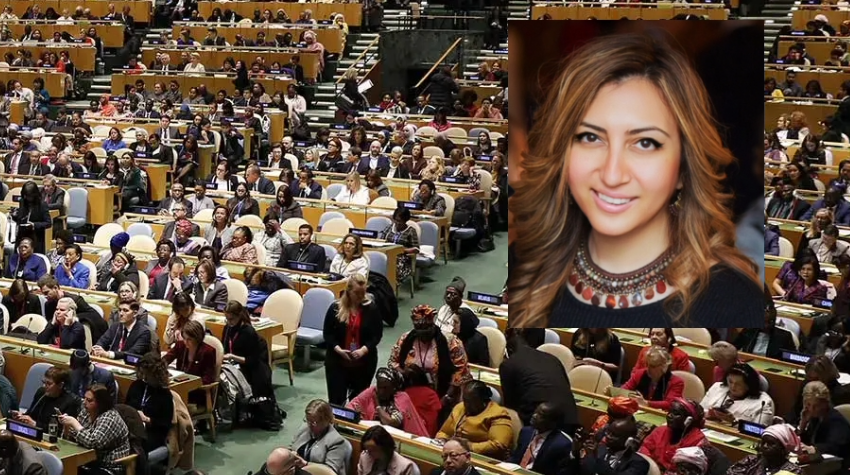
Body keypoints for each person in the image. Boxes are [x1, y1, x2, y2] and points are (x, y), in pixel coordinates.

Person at [510, 34, 761, 327]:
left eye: (645, 143)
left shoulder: (738, 303)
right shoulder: (520, 265)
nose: (612, 174)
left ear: (684, 167)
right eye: (590, 137)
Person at [389, 305, 472, 408]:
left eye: (427, 329)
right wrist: (403, 372)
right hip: (411, 391)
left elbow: (461, 371)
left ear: (433, 325)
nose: (423, 333)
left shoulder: (451, 341)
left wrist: (446, 396)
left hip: (442, 392)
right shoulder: (406, 339)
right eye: (419, 329)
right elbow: (392, 362)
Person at [499, 328, 578, 427]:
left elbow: (510, 405)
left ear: (509, 350)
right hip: (570, 418)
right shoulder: (552, 358)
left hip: (540, 421)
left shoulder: (508, 364)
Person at [324, 275, 383, 405]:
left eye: (363, 293)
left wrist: (363, 350)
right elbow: (328, 334)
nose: (360, 297)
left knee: (358, 403)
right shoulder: (335, 308)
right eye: (357, 293)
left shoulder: (371, 309)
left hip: (364, 363)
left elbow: (377, 335)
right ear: (348, 291)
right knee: (336, 401)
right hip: (337, 362)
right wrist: (338, 350)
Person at [59, 384, 130, 474]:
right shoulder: (86, 412)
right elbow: (74, 439)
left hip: (108, 468)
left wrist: (75, 424)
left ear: (101, 403)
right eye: (84, 398)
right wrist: (67, 426)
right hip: (86, 462)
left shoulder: (110, 418)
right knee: (63, 468)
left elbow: (93, 442)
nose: (84, 402)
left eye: (89, 400)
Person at [435, 381, 513, 459]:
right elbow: (444, 432)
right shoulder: (459, 408)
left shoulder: (498, 414)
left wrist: (469, 447)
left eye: (472, 401)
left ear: (483, 400)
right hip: (453, 454)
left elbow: (499, 444)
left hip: (482, 458)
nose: (467, 405)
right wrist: (442, 439)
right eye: (465, 400)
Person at [348, 367, 429, 436]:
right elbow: (349, 408)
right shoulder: (372, 391)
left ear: (394, 388)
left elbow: (390, 422)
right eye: (379, 387)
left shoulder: (402, 397)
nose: (381, 392)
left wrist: (377, 405)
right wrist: (357, 415)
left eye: (385, 388)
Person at [222, 301, 274, 400]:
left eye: (231, 319)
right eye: (227, 319)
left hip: (250, 369)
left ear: (239, 316)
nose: (229, 322)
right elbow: (224, 348)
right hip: (232, 365)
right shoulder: (228, 328)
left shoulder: (248, 332)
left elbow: (253, 361)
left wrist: (233, 357)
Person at [639, 399, 707, 473]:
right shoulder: (661, 430)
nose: (669, 415)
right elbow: (645, 448)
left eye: (676, 413)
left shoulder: (698, 442)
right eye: (669, 412)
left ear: (689, 420)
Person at [125, 353, 174, 453]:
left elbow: (164, 425)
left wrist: (147, 419)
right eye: (142, 373)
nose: (144, 377)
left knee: (133, 445)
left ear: (156, 375)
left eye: (147, 374)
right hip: (132, 427)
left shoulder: (165, 395)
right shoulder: (136, 385)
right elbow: (126, 407)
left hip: (152, 433)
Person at [164, 320, 217, 406]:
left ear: (197, 338)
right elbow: (165, 360)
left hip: (197, 392)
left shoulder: (208, 351)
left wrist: (189, 383)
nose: (185, 342)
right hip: (178, 387)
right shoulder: (180, 345)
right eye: (184, 338)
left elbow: (208, 378)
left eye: (189, 339)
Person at [700, 363, 774, 426]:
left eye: (738, 384)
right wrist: (707, 414)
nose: (733, 387)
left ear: (749, 385)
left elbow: (759, 431)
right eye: (730, 381)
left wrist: (734, 422)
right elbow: (699, 410)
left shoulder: (763, 402)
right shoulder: (717, 387)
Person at [797, 381, 850, 468]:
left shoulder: (836, 420)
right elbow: (807, 442)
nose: (811, 409)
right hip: (818, 463)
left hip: (838, 466)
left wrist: (814, 449)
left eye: (816, 406)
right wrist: (803, 424)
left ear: (825, 403)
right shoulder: (815, 417)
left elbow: (835, 447)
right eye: (808, 405)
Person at [38, 275, 107, 342]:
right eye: (43, 293)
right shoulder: (48, 304)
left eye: (47, 293)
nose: (45, 296)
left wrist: (72, 318)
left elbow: (94, 316)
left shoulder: (76, 300)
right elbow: (50, 326)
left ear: (55, 288)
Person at [509, 402, 572, 475]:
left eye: (541, 415)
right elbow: (516, 457)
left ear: (553, 423)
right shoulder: (526, 432)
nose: (534, 416)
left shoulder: (562, 444)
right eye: (535, 412)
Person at [292, 400, 349, 475]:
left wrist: (305, 464)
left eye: (314, 422)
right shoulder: (304, 428)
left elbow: (330, 470)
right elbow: (291, 447)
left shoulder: (337, 441)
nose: (310, 425)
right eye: (308, 420)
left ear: (326, 420)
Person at [14, 366, 80, 431]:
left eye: (49, 383)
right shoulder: (41, 392)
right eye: (44, 382)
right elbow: (31, 414)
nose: (44, 386)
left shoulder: (71, 402)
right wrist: (21, 416)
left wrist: (35, 424)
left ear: (60, 385)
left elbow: (61, 430)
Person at [577, 416, 649, 475]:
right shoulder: (600, 449)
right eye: (608, 432)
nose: (608, 436)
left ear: (628, 440)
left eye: (614, 435)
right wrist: (575, 451)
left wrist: (596, 458)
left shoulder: (638, 463)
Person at [619, 346, 684, 411]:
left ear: (664, 366)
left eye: (652, 366)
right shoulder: (640, 374)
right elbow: (624, 389)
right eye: (647, 364)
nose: (648, 369)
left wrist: (647, 403)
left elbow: (670, 404)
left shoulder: (676, 382)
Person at [727, 423, 803, 475]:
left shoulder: (794, 471)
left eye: (771, 443)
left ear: (783, 448)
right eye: (763, 442)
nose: (765, 446)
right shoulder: (752, 460)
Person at [734, 307, 798, 359]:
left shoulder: (784, 336)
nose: (766, 325)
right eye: (764, 322)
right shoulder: (749, 331)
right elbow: (734, 348)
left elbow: (792, 357)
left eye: (770, 322)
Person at [380, 208, 419, 284]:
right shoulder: (389, 227)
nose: (397, 223)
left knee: (392, 267)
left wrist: (401, 250)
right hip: (386, 255)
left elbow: (416, 249)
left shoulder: (411, 231)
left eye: (400, 221)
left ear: (405, 220)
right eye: (396, 220)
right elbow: (381, 241)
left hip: (402, 259)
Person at [11, 181, 51, 253]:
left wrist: (34, 225)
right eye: (25, 195)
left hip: (36, 237)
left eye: (29, 196)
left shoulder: (42, 204)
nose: (27, 198)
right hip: (22, 235)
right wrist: (14, 216)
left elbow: (48, 223)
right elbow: (20, 219)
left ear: (34, 194)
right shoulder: (23, 201)